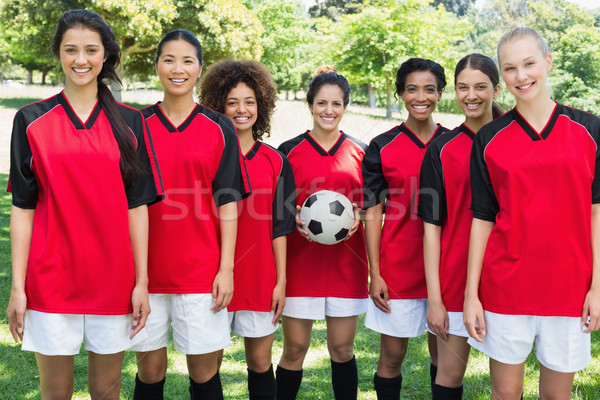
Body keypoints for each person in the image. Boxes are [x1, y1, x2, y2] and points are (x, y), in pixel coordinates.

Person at [6, 9, 162, 400]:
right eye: (70, 49)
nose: (81, 59)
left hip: (113, 280)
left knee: (105, 391)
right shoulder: (31, 120)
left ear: (105, 56)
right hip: (51, 278)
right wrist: (17, 287)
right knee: (55, 391)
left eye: (91, 50)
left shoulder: (132, 122)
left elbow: (137, 207)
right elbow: (23, 209)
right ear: (58, 53)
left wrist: (141, 282)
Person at [464, 25, 600, 400]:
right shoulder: (489, 140)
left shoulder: (590, 130)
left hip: (570, 289)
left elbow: (596, 213)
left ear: (548, 62)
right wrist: (471, 294)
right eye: (509, 68)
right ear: (501, 77)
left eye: (529, 63)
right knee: (505, 395)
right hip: (506, 287)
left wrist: (597, 286)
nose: (521, 76)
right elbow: (482, 219)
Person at [131, 30, 250, 400]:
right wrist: (138, 276)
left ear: (199, 68)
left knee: (204, 371)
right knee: (150, 371)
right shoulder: (134, 125)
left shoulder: (219, 127)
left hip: (202, 273)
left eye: (187, 61)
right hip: (145, 273)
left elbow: (228, 201)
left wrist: (226, 267)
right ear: (157, 66)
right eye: (169, 59)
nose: (177, 68)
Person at [200, 59, 296, 400]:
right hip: (213, 278)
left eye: (250, 102)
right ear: (217, 106)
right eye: (232, 102)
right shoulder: (207, 155)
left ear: (262, 106)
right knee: (208, 365)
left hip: (260, 276)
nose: (242, 110)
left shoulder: (276, 161)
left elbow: (281, 228)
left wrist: (280, 281)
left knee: (259, 362)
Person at [276, 68, 368, 400]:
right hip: (302, 264)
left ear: (345, 106)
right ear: (311, 104)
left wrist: (358, 213)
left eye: (336, 104)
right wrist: (294, 214)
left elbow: (371, 206)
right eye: (321, 103)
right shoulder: (288, 150)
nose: (328, 110)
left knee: (342, 348)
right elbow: (277, 207)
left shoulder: (362, 152)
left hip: (347, 263)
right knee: (295, 348)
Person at [362, 58, 448, 399]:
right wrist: (376, 272)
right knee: (392, 357)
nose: (421, 96)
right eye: (412, 88)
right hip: (397, 268)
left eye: (430, 89)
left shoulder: (453, 143)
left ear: (440, 94)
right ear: (400, 93)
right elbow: (372, 212)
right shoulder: (382, 146)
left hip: (444, 269)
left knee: (444, 357)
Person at [417, 53, 502, 399]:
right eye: (463, 87)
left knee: (506, 384)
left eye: (480, 86)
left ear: (496, 89)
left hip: (506, 274)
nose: (472, 95)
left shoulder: (512, 140)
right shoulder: (441, 148)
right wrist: (435, 299)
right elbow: (431, 228)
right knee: (449, 378)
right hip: (454, 277)